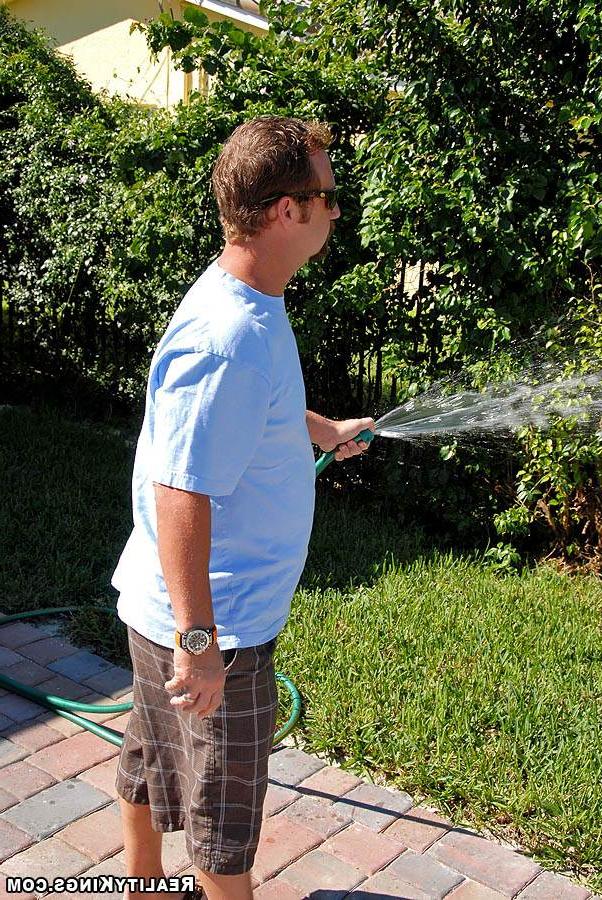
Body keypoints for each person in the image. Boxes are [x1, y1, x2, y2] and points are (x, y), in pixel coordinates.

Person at [111, 115, 375, 900]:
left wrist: (316, 427)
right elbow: (180, 489)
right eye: (328, 197)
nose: (335, 211)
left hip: (184, 616)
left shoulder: (247, 299)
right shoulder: (231, 334)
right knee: (223, 824)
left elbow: (237, 414)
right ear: (287, 210)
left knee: (151, 758)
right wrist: (200, 643)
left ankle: (139, 885)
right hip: (212, 627)